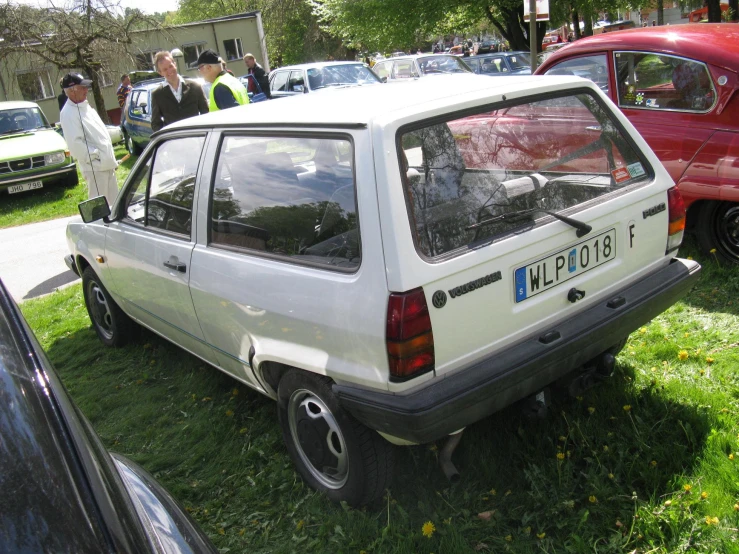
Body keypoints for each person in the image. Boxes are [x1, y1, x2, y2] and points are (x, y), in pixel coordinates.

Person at [59, 73, 118, 204]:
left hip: (106, 165)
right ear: (72, 90)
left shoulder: (86, 107)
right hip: (95, 168)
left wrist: (109, 157)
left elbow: (100, 134)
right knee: (99, 208)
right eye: (82, 87)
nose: (86, 90)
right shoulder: (68, 113)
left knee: (114, 207)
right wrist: (97, 157)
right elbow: (75, 144)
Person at [150, 51, 209, 133]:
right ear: (160, 72)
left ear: (175, 64)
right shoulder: (157, 94)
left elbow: (206, 113)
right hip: (174, 141)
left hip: (197, 137)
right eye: (165, 69)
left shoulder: (195, 87)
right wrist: (167, 138)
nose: (169, 71)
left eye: (170, 66)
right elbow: (155, 124)